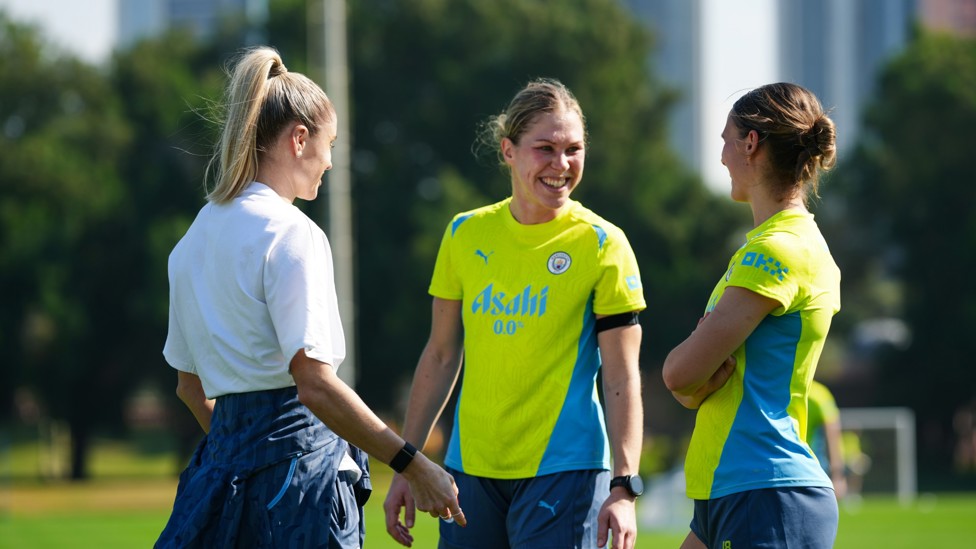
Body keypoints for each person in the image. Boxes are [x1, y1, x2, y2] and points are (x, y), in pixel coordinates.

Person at [156, 46, 464, 548]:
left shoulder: (189, 242)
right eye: (331, 144)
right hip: (301, 489)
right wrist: (414, 463)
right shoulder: (293, 233)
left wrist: (243, 453)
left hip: (214, 484)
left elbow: (190, 388)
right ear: (300, 139)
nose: (330, 162)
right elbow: (314, 386)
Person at [383, 78, 646, 549]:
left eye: (573, 149)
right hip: (469, 475)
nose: (561, 165)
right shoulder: (465, 234)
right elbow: (441, 356)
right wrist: (410, 461)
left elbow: (622, 376)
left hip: (565, 470)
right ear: (509, 151)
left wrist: (624, 486)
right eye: (544, 148)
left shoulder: (604, 243)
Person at [662, 82, 841, 549]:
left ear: (751, 144)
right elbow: (688, 385)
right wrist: (691, 380)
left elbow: (679, 372)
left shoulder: (778, 251)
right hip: (735, 491)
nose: (721, 157)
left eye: (725, 140)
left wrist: (691, 377)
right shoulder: (772, 247)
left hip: (765, 492)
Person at [806, 380, 848, 499]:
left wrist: (837, 474)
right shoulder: (818, 394)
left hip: (805, 463)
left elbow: (832, 435)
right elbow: (833, 435)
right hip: (810, 464)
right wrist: (838, 476)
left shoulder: (775, 387)